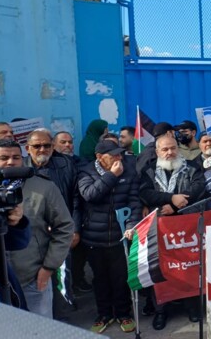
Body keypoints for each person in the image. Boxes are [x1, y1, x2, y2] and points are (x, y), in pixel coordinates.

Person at [0, 139, 74, 318]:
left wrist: (49, 267)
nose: (10, 162)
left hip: (33, 280)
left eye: (16, 157)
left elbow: (64, 227)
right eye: (3, 158)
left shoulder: (43, 187)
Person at [139, 135, 206, 329]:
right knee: (161, 270)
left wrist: (176, 207)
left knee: (188, 267)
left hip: (185, 227)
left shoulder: (191, 167)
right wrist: (170, 198)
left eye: (173, 148)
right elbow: (145, 193)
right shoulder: (148, 170)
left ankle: (193, 308)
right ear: (157, 151)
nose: (170, 152)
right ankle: (161, 311)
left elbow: (198, 189)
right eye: (165, 149)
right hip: (159, 229)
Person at [78, 140, 141, 333]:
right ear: (99, 157)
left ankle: (123, 313)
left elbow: (134, 201)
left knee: (120, 277)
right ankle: (104, 314)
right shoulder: (86, 172)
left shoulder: (129, 171)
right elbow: (90, 195)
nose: (119, 158)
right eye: (113, 155)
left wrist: (131, 225)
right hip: (94, 237)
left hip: (119, 235)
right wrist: (112, 176)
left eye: (120, 154)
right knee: (100, 278)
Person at [23, 130, 88, 298]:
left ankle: (64, 308)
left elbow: (76, 199)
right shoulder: (20, 169)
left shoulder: (65, 165)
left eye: (47, 146)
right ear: (28, 148)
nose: (42, 149)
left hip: (62, 231)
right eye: (37, 146)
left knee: (63, 277)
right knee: (36, 282)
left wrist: (74, 228)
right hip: (33, 235)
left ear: (52, 147)